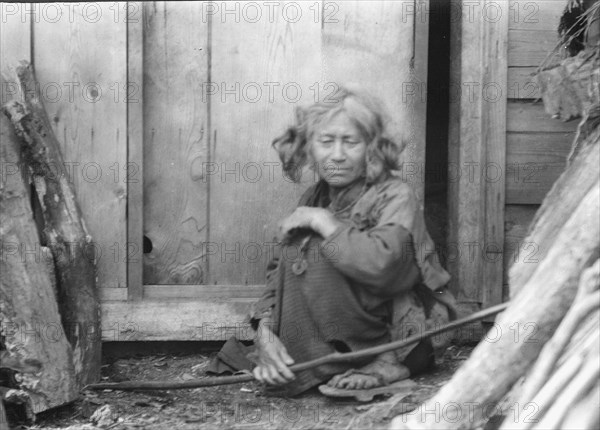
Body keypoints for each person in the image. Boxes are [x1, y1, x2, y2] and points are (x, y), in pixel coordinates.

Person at [210, 86, 456, 397]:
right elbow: (280, 271)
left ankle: (388, 361)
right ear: (309, 148)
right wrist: (266, 330)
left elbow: (384, 267)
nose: (337, 155)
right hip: (335, 334)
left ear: (371, 149)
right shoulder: (315, 196)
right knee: (306, 253)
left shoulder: (395, 195)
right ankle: (315, 360)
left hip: (397, 333)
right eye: (326, 142)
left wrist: (325, 223)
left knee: (322, 250)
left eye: (350, 142)